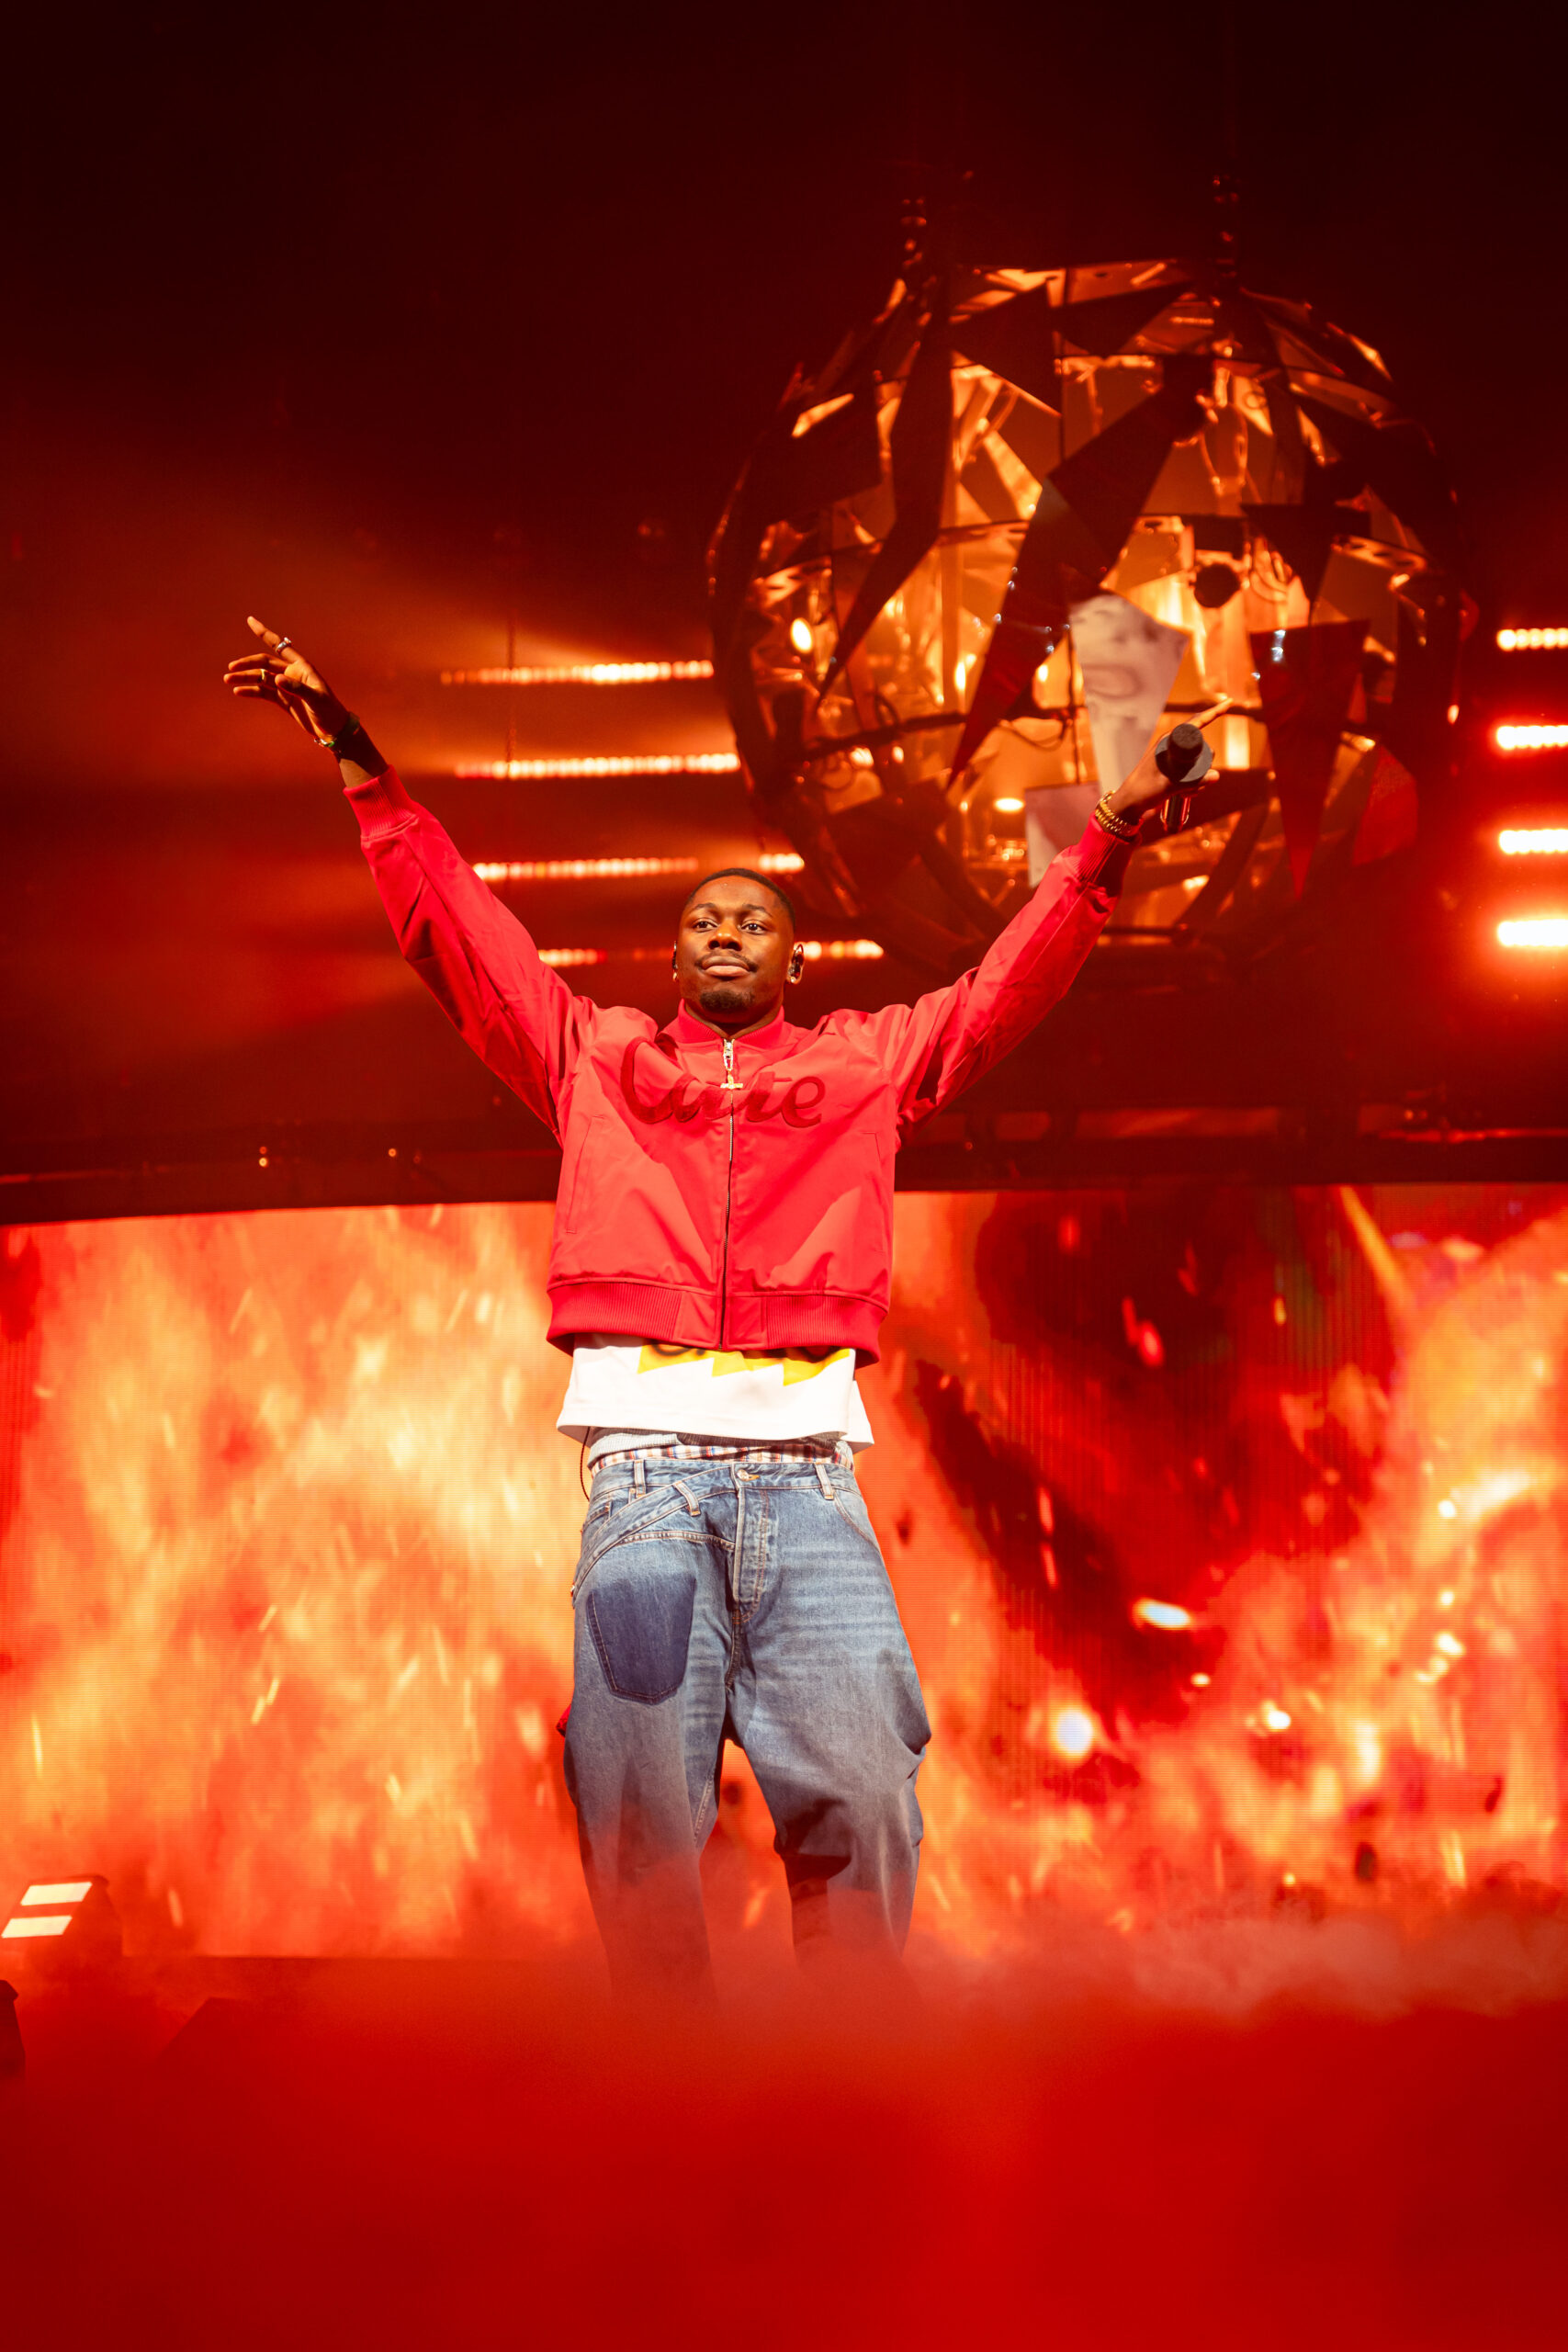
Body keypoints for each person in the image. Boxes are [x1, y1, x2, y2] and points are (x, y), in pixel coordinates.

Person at [223, 614, 1176, 2000]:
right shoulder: (593, 1058)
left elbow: (999, 994)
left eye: (755, 921)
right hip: (648, 1493)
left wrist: (1106, 848)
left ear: (794, 961)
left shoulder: (865, 1064)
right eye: (703, 923)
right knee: (635, 1813)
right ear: (674, 964)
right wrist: (368, 772)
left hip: (811, 1492)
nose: (727, 931)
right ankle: (673, 2084)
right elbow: (461, 939)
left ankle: (846, 2075)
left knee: (866, 1789)